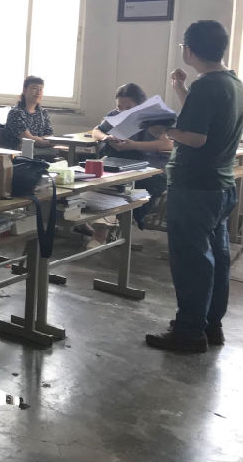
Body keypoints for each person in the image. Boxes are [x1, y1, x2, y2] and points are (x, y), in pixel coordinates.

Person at [145, 21, 243, 352]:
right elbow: (204, 118)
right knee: (216, 256)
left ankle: (188, 332)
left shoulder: (206, 86)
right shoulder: (232, 83)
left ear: (189, 50)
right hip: (221, 185)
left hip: (194, 187)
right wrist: (180, 88)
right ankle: (210, 326)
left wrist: (165, 131)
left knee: (191, 261)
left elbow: (197, 137)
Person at [85, 83, 172, 248]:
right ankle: (103, 228)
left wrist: (133, 145)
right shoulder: (115, 116)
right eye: (119, 107)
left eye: (128, 108)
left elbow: (168, 144)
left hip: (149, 169)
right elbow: (96, 130)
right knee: (99, 183)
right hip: (118, 164)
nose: (122, 112)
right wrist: (106, 138)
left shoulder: (154, 119)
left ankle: (102, 232)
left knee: (121, 189)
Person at [2, 76, 55, 151]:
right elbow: (28, 140)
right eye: (34, 88)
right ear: (24, 90)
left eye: (41, 89)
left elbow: (50, 136)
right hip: (20, 154)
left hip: (41, 152)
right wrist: (47, 141)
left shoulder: (43, 113)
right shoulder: (16, 113)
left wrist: (41, 140)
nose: (38, 92)